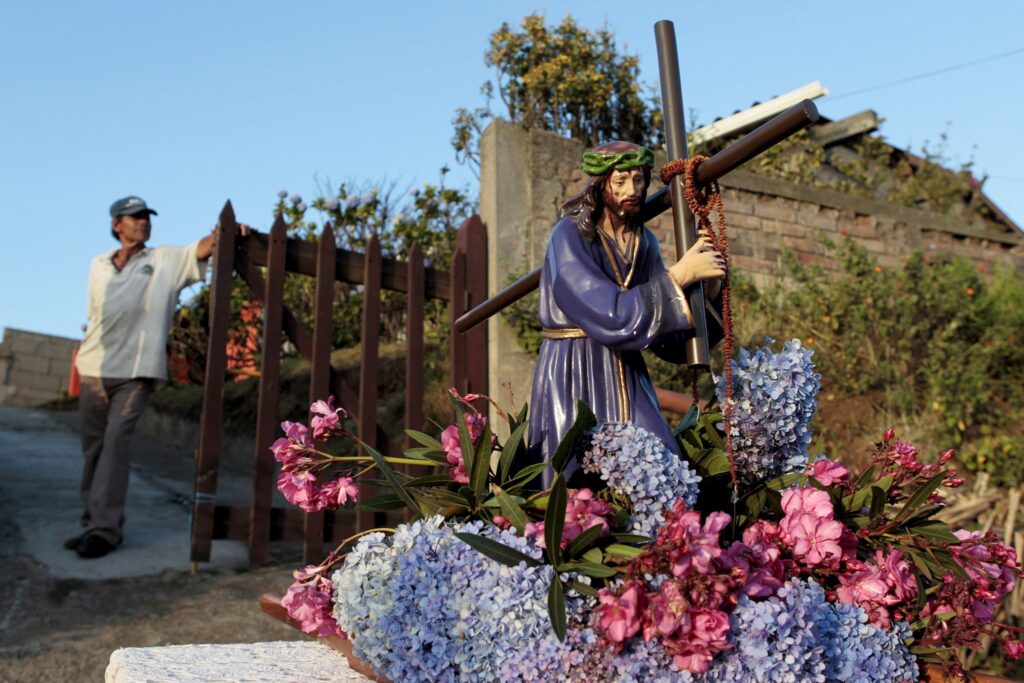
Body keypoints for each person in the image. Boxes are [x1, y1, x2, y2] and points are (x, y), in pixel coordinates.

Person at [527, 141, 725, 474]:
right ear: (599, 183)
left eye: (638, 180)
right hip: (574, 369)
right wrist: (680, 274)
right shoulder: (569, 236)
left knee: (664, 467)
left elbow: (662, 329)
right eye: (620, 181)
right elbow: (610, 314)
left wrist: (706, 288)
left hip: (626, 372)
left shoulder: (643, 241)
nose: (631, 190)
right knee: (573, 472)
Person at [67, 196, 244, 558]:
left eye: (147, 217)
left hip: (136, 372)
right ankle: (92, 521)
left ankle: (105, 530)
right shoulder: (99, 264)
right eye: (135, 218)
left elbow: (205, 247)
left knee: (116, 442)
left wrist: (229, 233)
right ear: (117, 224)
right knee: (94, 449)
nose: (143, 223)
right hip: (93, 368)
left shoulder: (163, 259)